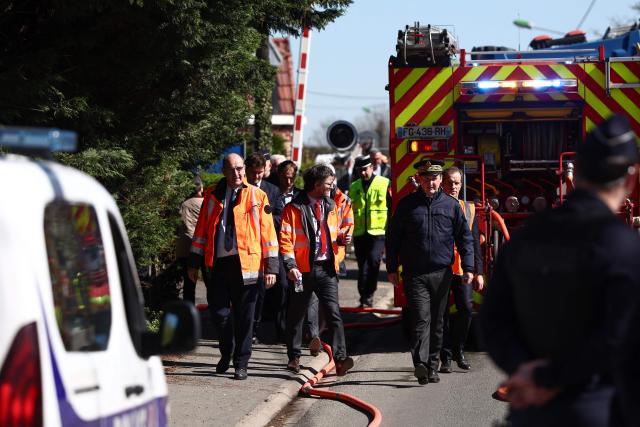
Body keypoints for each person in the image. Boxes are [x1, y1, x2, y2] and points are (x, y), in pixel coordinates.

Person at [480, 114, 640, 427]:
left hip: (532, 414)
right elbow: (618, 339)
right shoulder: (627, 250)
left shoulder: (525, 239)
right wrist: (551, 376)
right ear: (631, 179)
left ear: (575, 174)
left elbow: (491, 322)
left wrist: (526, 371)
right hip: (604, 411)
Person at [188, 153, 279, 381]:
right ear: (224, 171)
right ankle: (226, 350)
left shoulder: (258, 196)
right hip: (219, 264)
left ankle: (241, 363)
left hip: (248, 264)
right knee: (219, 313)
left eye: (240, 168)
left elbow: (269, 234)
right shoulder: (212, 195)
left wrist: (272, 268)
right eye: (233, 169)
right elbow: (201, 231)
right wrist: (194, 262)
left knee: (245, 318)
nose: (238, 173)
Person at [386, 158, 474, 385]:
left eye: (435, 178)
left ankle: (432, 367)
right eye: (426, 179)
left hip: (441, 273)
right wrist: (392, 268)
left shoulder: (451, 206)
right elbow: (393, 238)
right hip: (415, 274)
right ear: (419, 180)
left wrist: (469, 267)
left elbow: (465, 238)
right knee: (421, 320)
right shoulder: (406, 206)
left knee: (437, 321)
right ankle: (421, 364)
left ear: (440, 180)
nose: (431, 183)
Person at [280, 164, 354, 376]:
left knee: (334, 314)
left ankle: (340, 360)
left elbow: (332, 234)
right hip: (302, 270)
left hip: (326, 269)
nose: (332, 185)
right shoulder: (292, 209)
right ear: (316, 184)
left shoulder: (331, 205)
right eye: (328, 182)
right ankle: (294, 357)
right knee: (296, 315)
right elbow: (285, 240)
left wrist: (341, 238)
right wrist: (291, 266)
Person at [305, 164, 354, 356]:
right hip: (312, 260)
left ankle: (338, 352)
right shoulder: (312, 199)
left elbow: (347, 225)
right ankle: (314, 335)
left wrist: (343, 237)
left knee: (331, 306)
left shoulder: (343, 200)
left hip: (334, 258)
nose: (330, 183)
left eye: (331, 179)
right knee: (311, 300)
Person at [440, 167, 485, 373]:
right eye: (450, 182)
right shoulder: (435, 205)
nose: (454, 187)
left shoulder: (469, 208)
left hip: (463, 269)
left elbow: (474, 243)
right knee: (440, 314)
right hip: (439, 268)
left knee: (466, 309)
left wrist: (479, 271)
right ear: (442, 183)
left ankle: (459, 350)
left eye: (457, 183)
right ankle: (445, 357)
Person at [245, 152, 281, 344]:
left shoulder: (272, 190)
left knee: (259, 293)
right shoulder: (239, 189)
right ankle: (243, 328)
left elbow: (280, 216)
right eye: (254, 173)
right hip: (243, 249)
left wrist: (262, 219)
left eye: (260, 172)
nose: (257, 176)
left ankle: (254, 329)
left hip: (262, 249)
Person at [349, 154, 391, 307]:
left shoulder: (384, 183)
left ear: (372, 168)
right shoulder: (354, 186)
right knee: (362, 266)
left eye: (365, 169)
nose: (363, 173)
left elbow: (391, 206)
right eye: (360, 170)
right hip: (360, 233)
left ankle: (369, 294)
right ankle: (364, 297)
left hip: (378, 232)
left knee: (373, 262)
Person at [268, 160, 301, 343]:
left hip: (297, 249)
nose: (289, 182)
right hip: (278, 248)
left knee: (297, 289)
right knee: (282, 287)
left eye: (292, 178)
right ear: (279, 175)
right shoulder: (272, 194)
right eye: (285, 177)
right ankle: (280, 330)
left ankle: (294, 330)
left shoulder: (300, 195)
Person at [176, 177, 204, 303]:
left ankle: (189, 309)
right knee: (211, 281)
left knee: (189, 282)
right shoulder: (205, 203)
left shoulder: (183, 204)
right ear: (201, 188)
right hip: (202, 246)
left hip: (184, 247)